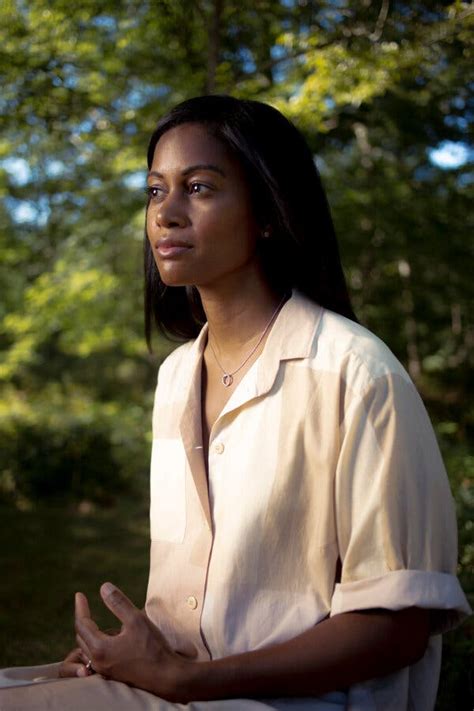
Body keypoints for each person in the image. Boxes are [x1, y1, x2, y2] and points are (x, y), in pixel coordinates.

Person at [0, 95, 470, 711]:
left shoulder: (356, 373)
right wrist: (128, 661)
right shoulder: (175, 376)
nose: (166, 213)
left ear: (269, 212)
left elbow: (396, 629)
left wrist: (183, 682)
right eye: (153, 191)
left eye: (198, 187)